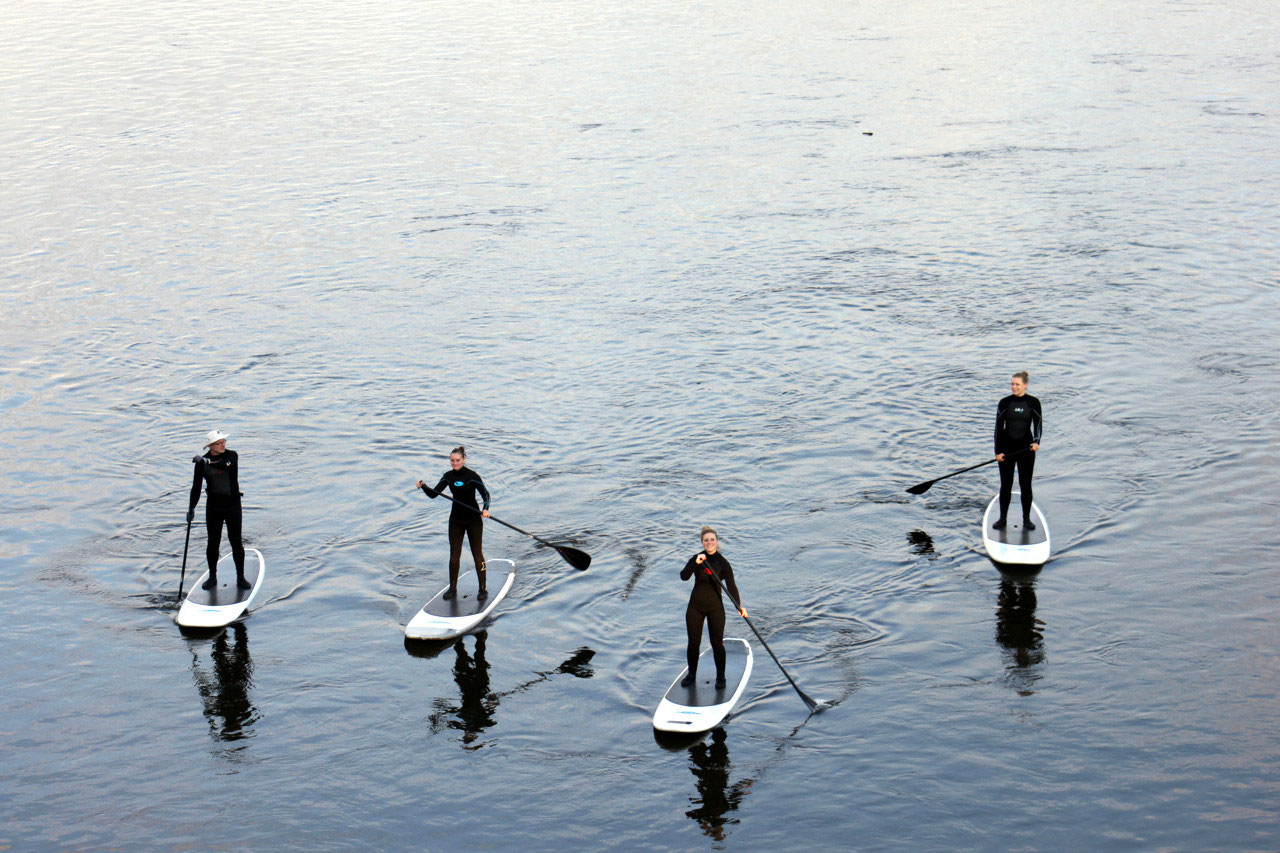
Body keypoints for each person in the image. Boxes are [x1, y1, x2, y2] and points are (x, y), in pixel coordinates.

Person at [416, 446, 491, 600]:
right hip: (456, 520)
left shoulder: (472, 476)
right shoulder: (448, 476)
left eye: (457, 460)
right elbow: (433, 494)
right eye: (452, 460)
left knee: (477, 555)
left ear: (463, 460)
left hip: (473, 520)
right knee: (454, 556)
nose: (454, 463)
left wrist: (485, 509)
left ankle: (483, 588)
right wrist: (423, 486)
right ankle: (453, 589)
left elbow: (486, 495)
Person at [679, 527, 746, 690]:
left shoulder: (722, 563)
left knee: (717, 643)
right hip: (695, 607)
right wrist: (695, 563)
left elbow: (731, 585)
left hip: (715, 608)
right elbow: (683, 576)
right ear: (702, 542)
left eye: (712, 539)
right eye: (706, 540)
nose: (709, 542)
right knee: (693, 643)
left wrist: (739, 605)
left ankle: (721, 677)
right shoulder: (697, 559)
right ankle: (692, 675)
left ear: (717, 541)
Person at [188, 429, 249, 591]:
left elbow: (224, 465)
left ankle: (241, 578)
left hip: (233, 504)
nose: (223, 445)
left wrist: (206, 462)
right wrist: (191, 508)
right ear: (210, 446)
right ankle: (212, 577)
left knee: (235, 540)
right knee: (212, 542)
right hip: (214, 506)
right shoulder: (202, 463)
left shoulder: (232, 456)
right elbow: (196, 488)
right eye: (219, 443)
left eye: (224, 442)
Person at [993, 371, 1042, 530]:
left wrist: (1036, 442)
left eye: (1017, 384)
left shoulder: (1033, 402)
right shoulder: (1004, 403)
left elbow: (1038, 425)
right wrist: (998, 452)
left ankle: (1026, 520)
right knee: (1006, 485)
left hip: (1026, 450)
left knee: (1025, 484)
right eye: (1012, 384)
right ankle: (1002, 520)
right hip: (1007, 451)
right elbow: (998, 429)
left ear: (1025, 385)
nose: (1014, 387)